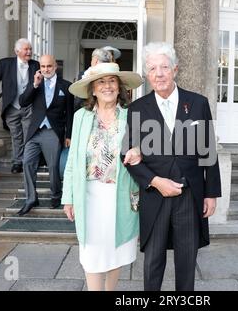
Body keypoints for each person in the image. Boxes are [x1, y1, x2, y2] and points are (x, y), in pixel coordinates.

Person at [122, 42, 222, 291]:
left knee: (186, 262)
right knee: (153, 261)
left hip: (189, 196)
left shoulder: (198, 103)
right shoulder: (136, 109)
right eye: (153, 68)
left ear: (175, 69)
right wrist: (155, 181)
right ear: (147, 74)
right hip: (154, 195)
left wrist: (211, 193)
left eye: (164, 67)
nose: (159, 73)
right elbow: (128, 156)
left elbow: (208, 150)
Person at [61, 62, 143, 291]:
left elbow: (144, 153)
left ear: (120, 87)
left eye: (112, 81)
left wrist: (141, 153)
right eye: (101, 82)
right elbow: (72, 160)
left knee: (115, 251)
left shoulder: (132, 116)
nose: (107, 86)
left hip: (121, 194)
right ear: (93, 90)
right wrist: (68, 196)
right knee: (91, 253)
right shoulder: (81, 117)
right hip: (88, 195)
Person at [17, 55, 74, 216]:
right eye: (43, 66)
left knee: (53, 167)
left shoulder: (66, 86)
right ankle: (30, 198)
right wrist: (34, 85)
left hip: (53, 132)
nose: (46, 69)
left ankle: (56, 196)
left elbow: (70, 114)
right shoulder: (36, 84)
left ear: (55, 66)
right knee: (27, 162)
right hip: (35, 132)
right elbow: (23, 102)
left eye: (49, 66)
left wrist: (68, 135)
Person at [0, 38, 40, 174]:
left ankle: (27, 162)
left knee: (28, 135)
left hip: (29, 106)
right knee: (16, 135)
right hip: (11, 106)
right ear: (17, 51)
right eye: (26, 49)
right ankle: (17, 161)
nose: (29, 52)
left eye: (30, 49)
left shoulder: (35, 65)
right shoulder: (5, 64)